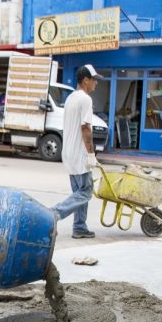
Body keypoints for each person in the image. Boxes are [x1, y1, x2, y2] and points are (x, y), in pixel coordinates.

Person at [53, 64, 100, 239]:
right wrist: (90, 154)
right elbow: (86, 128)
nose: (96, 83)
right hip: (80, 154)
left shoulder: (71, 98)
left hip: (69, 153)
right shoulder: (85, 99)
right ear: (85, 80)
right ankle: (54, 214)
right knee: (86, 192)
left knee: (78, 193)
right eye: (94, 79)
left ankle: (79, 227)